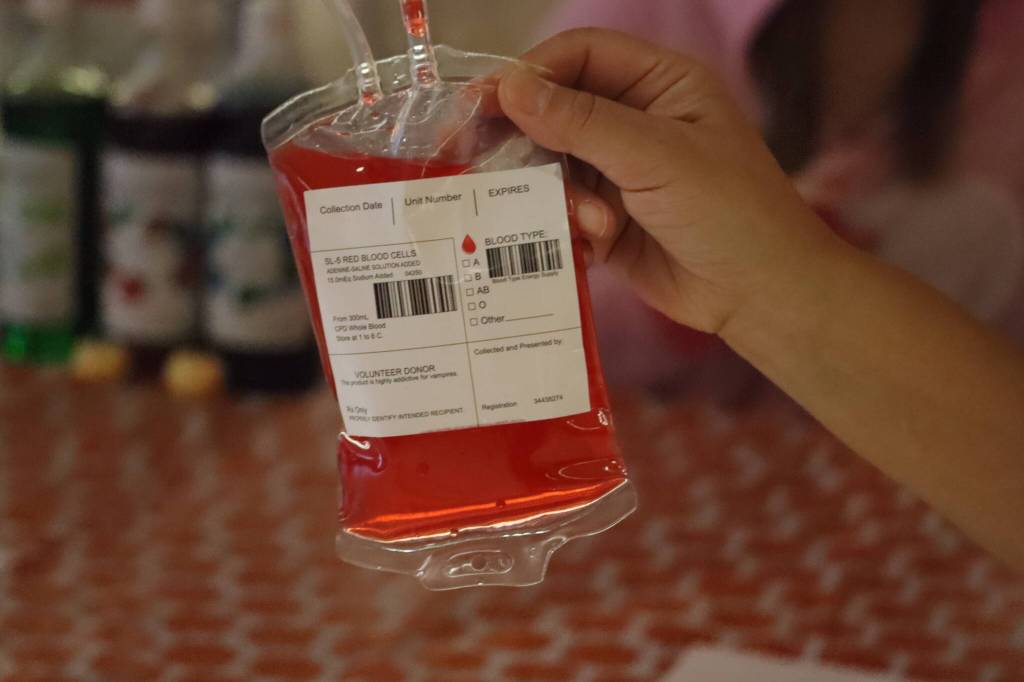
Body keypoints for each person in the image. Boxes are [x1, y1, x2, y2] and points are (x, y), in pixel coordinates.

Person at [496, 29, 1024, 570]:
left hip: (907, 535)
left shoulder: (1001, 59)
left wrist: (771, 270)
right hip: (692, 511)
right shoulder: (638, 24)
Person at [539, 0, 1024, 389]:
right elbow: (532, 309)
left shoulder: (1001, 43)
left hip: (909, 446)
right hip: (668, 430)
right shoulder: (630, 21)